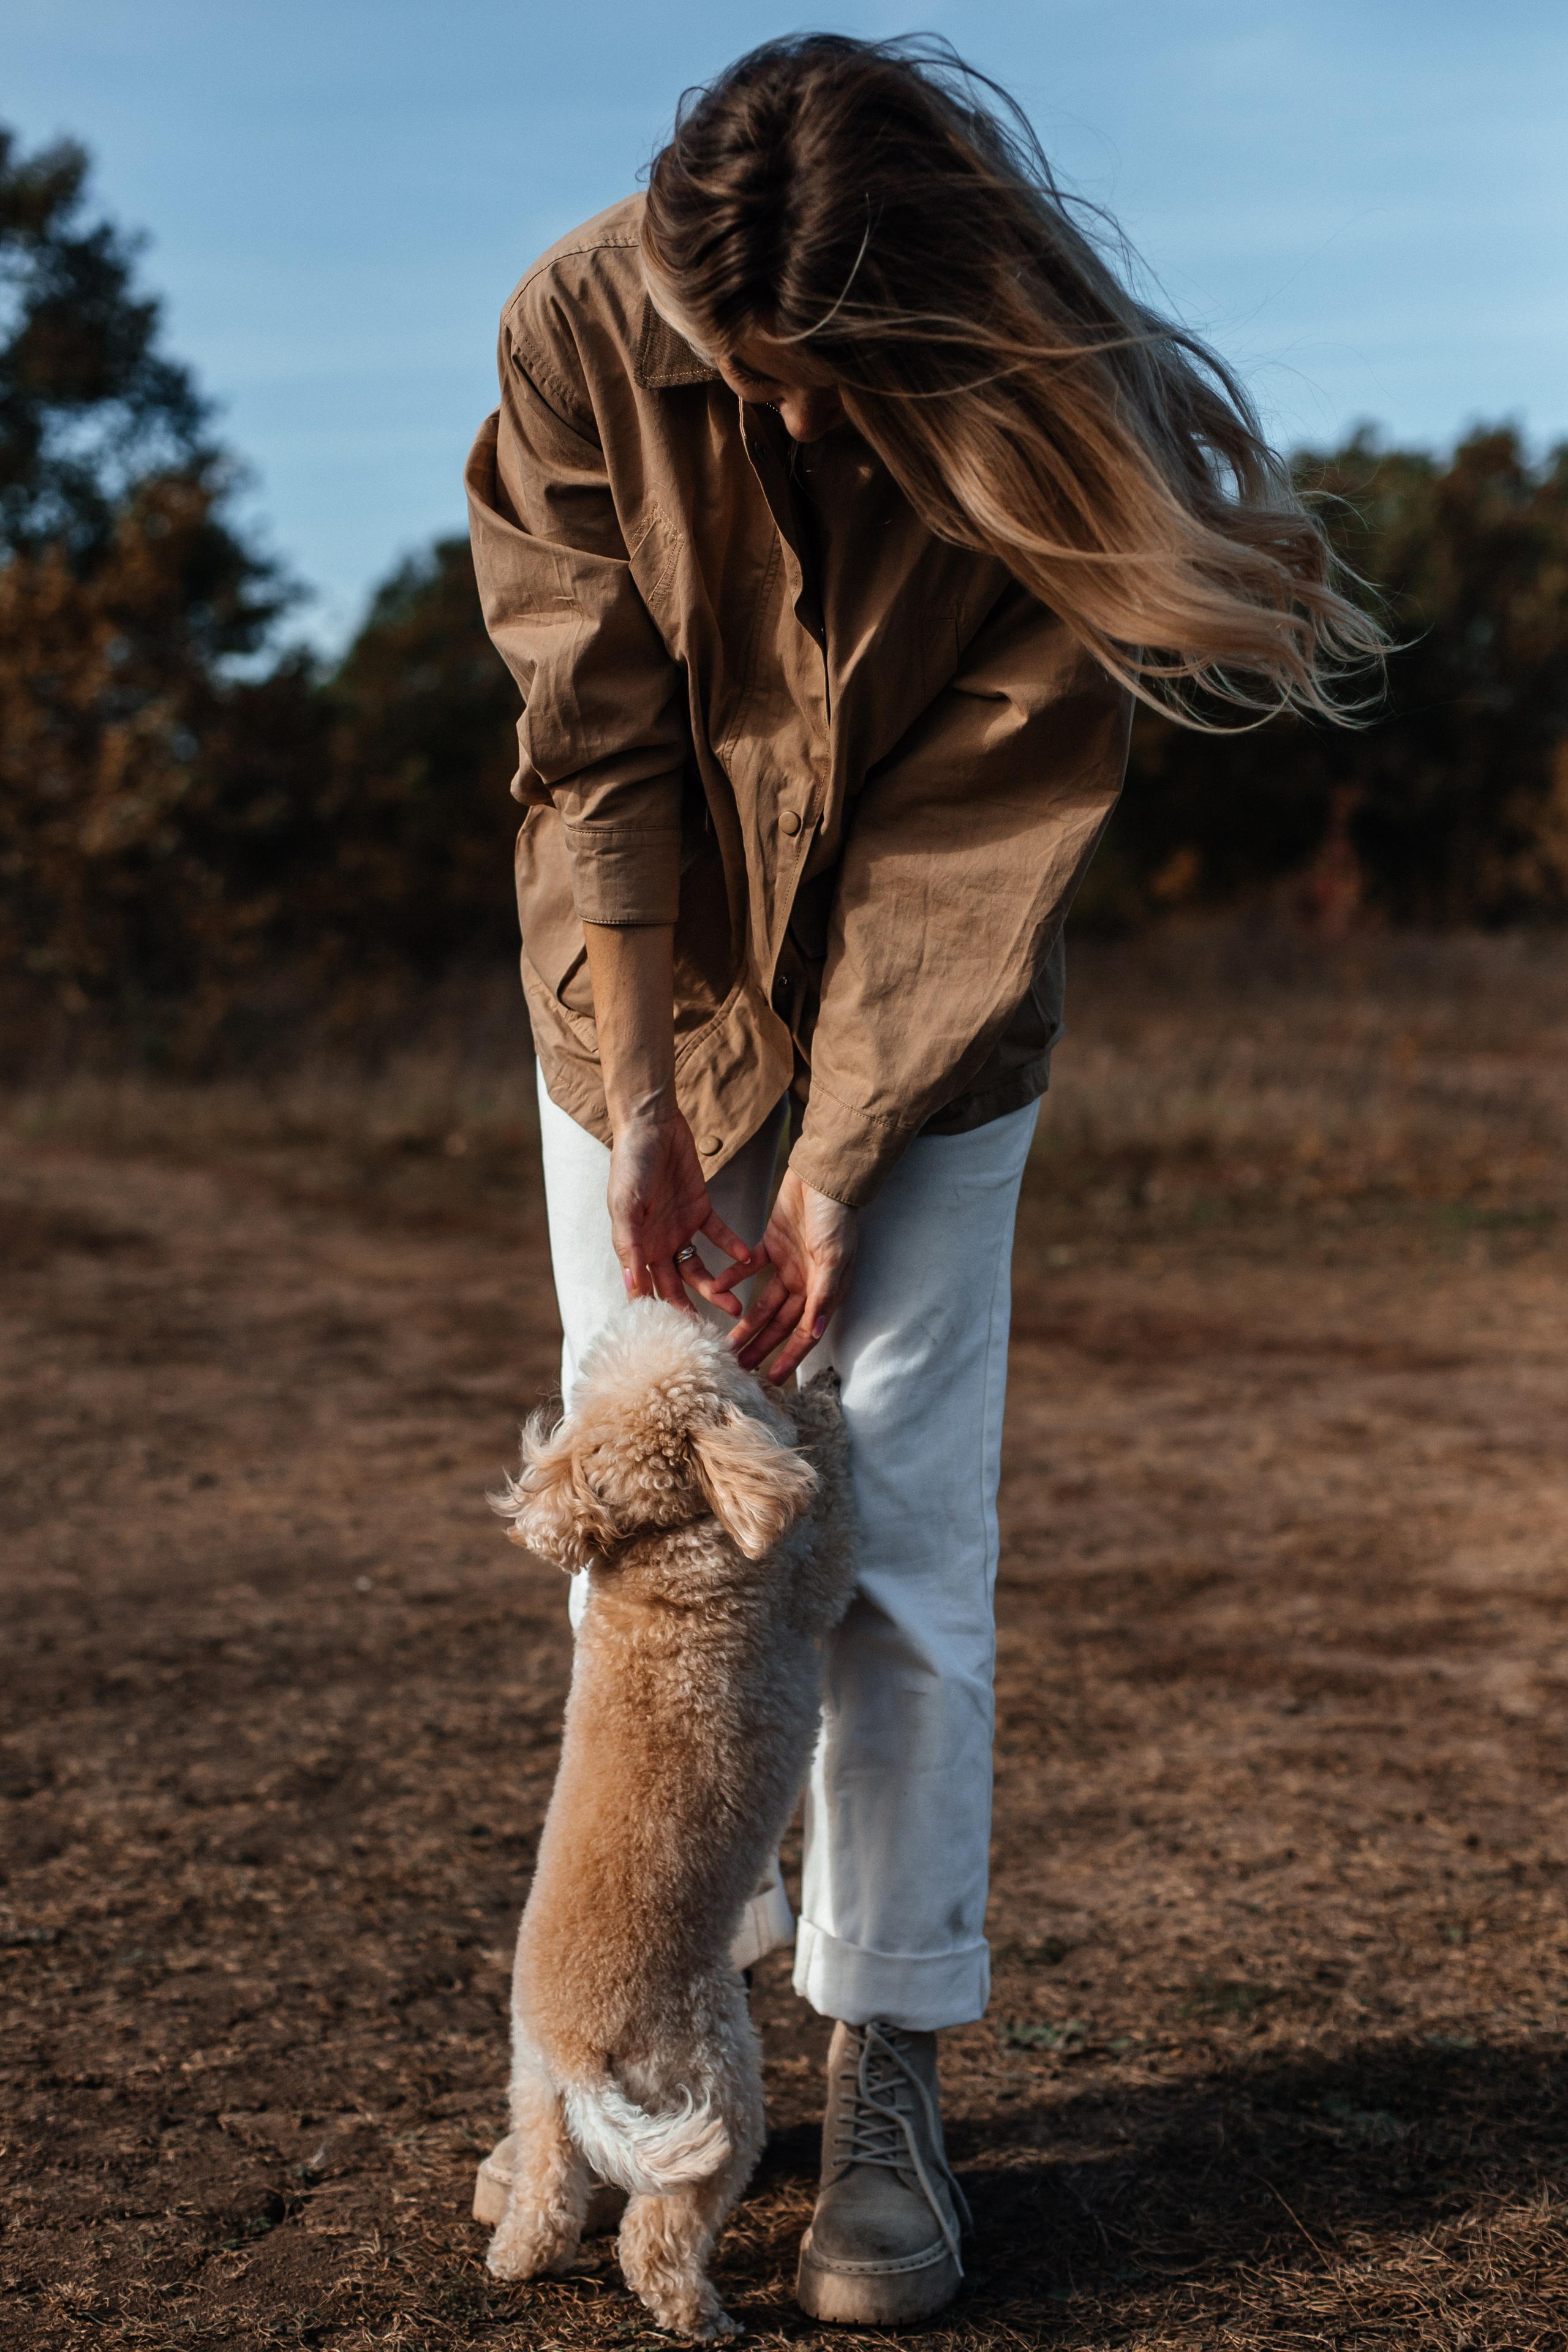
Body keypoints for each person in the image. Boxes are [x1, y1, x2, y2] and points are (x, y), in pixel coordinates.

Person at [466, 33, 1379, 2326]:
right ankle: (648, 2040)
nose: (777, 424)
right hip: (627, 1011)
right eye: (736, 375)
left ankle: (887, 2059)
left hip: (936, 1040)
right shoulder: (576, 326)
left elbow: (979, 844)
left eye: (819, 384)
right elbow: (591, 739)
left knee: (899, 1546)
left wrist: (837, 1166)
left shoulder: (1052, 413)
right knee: (648, 1549)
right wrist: (668, 1104)